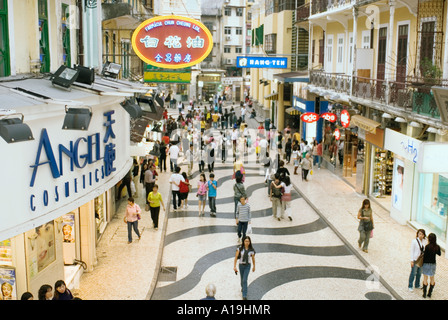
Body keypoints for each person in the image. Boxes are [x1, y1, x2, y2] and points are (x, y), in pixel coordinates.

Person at [233, 236, 256, 300]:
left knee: (245, 279)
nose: (247, 242)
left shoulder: (251, 250)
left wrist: (254, 266)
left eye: (248, 241)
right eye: (246, 241)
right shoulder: (239, 249)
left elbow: (253, 259)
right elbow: (236, 257)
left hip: (247, 266)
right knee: (242, 279)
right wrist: (234, 266)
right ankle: (243, 287)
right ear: (243, 241)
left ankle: (244, 295)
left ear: (250, 242)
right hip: (241, 265)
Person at [422, 233, 441, 298]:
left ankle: (424, 294)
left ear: (429, 239)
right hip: (433, 264)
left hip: (426, 263)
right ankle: (429, 293)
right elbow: (439, 254)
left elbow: (425, 256)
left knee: (425, 278)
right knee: (432, 278)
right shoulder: (437, 246)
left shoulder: (427, 246)